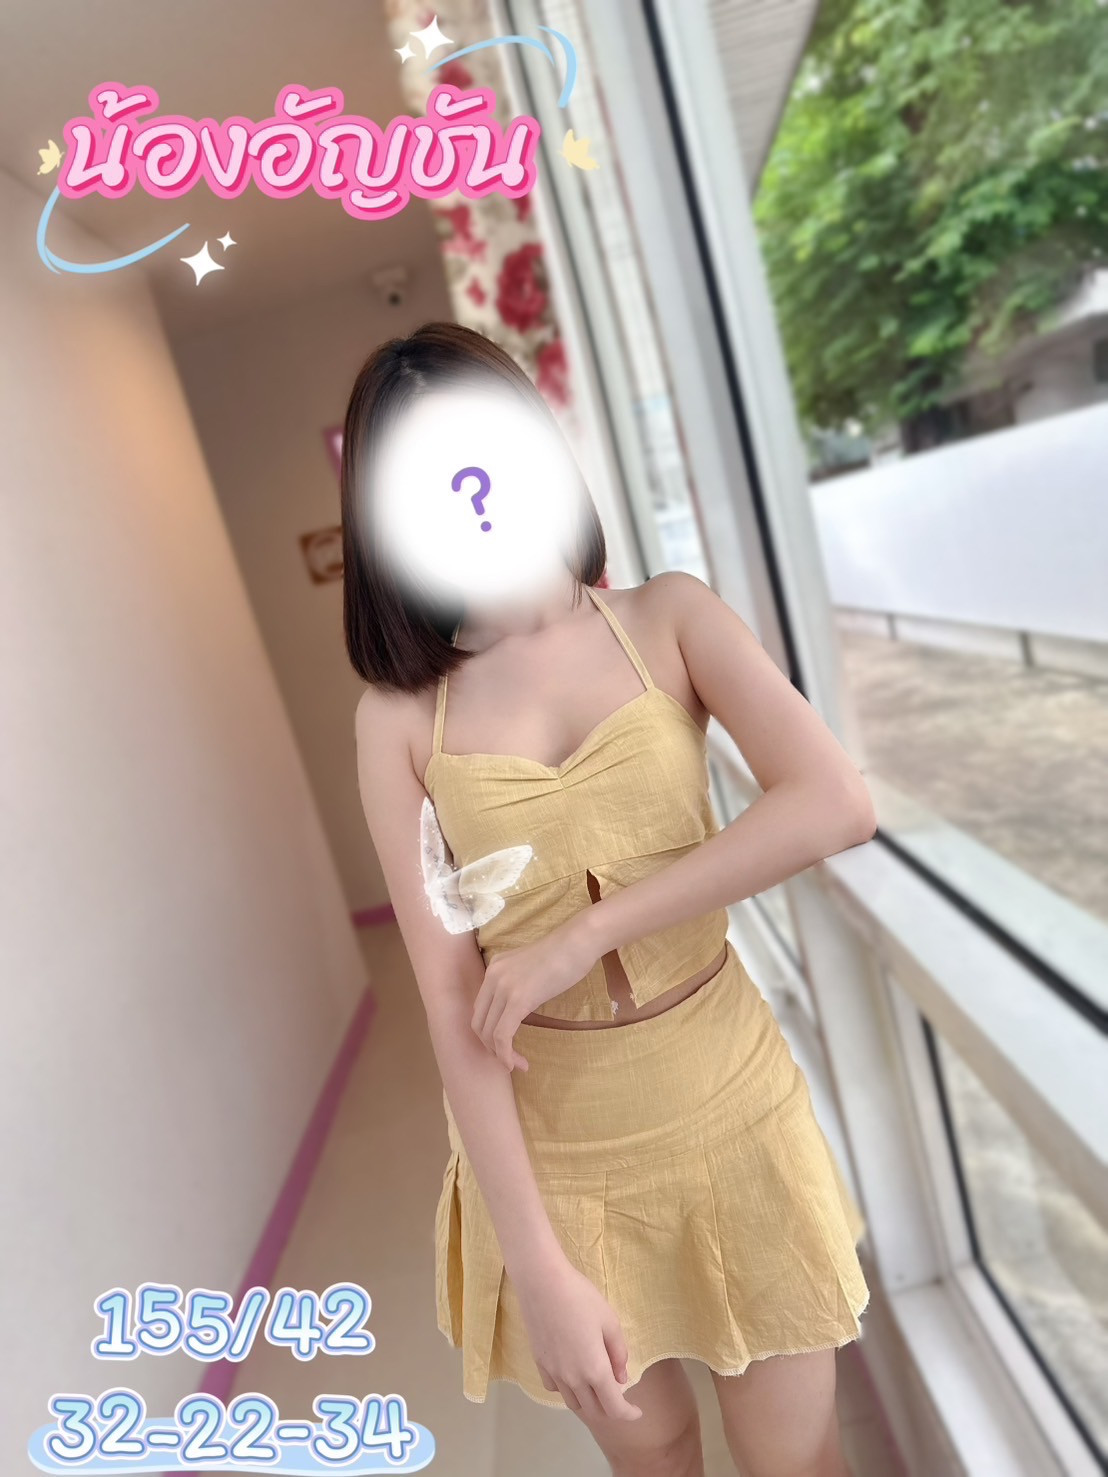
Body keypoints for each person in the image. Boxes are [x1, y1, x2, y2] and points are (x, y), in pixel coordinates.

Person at [345, 321, 874, 1477]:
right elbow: (449, 1001)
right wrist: (536, 1264)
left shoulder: (665, 618)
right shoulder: (398, 722)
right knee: (657, 1456)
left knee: (798, 1458)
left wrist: (584, 932)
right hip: (560, 1155)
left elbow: (832, 800)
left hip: (729, 1101)